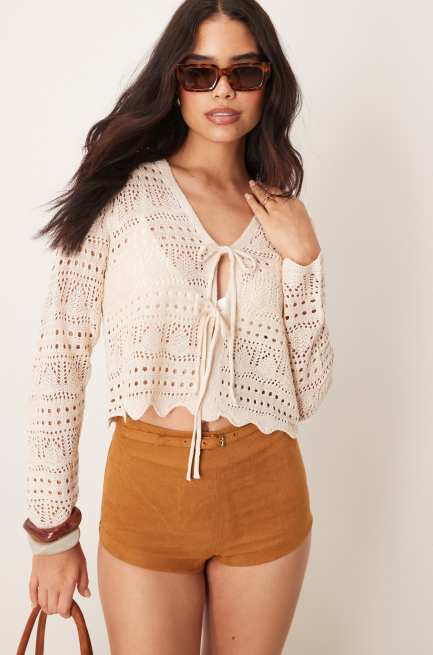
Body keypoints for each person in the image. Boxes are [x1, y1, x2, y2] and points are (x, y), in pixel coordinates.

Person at [23, 1, 335, 653]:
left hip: (267, 491)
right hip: (147, 493)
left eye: (243, 72)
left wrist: (304, 261)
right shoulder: (121, 196)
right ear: (174, 81)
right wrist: (51, 533)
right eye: (200, 72)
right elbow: (60, 359)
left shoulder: (280, 214)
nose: (223, 90)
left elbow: (305, 395)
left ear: (267, 83)